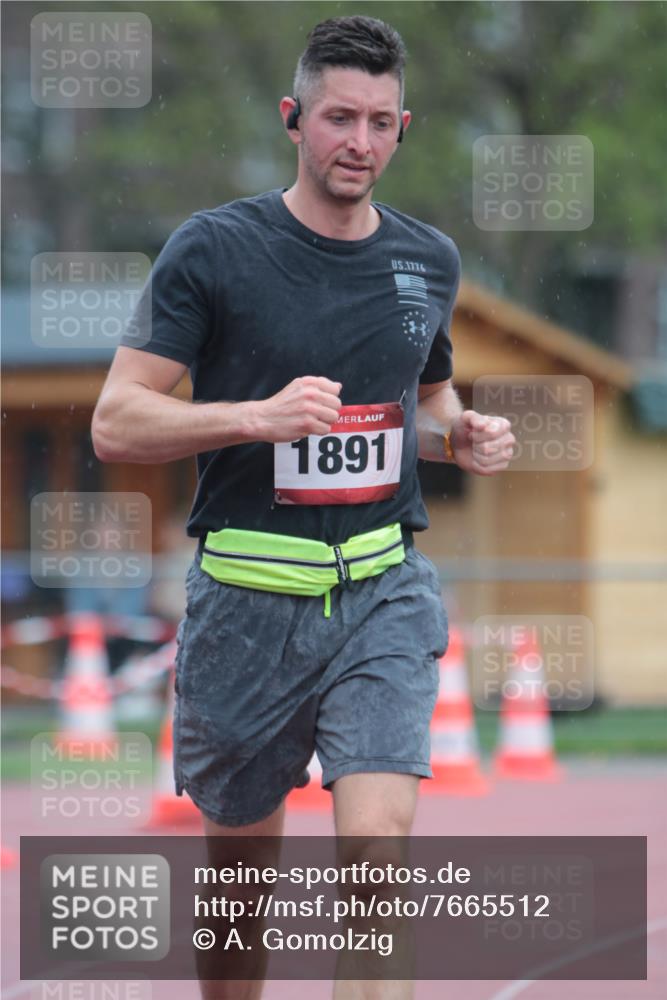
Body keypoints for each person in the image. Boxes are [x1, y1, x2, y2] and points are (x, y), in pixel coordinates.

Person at [92, 14, 514, 998]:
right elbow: (116, 421)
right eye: (336, 118)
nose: (356, 142)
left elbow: (424, 399)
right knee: (242, 891)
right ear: (293, 118)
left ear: (401, 128)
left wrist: (462, 431)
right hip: (245, 600)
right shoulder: (214, 251)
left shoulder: (427, 262)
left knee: (376, 854)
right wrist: (254, 417)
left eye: (376, 121)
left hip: (380, 587)